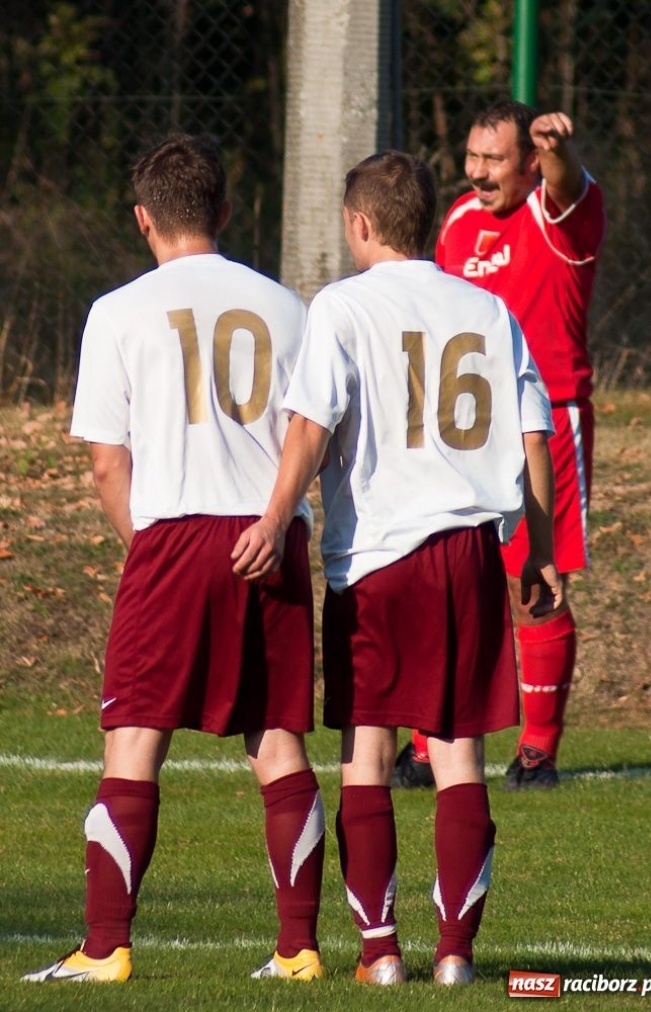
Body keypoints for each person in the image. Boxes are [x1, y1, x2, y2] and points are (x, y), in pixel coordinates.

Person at [231, 151, 563, 985]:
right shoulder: (488, 310)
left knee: (367, 751)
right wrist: (544, 551)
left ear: (359, 225)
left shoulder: (341, 306)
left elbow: (310, 425)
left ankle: (380, 953)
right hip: (468, 553)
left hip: (378, 556)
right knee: (457, 754)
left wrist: (274, 516)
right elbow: (532, 437)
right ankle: (455, 954)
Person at [21, 134, 325, 985]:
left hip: (172, 536)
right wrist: (278, 521)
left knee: (133, 742)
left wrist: (146, 550)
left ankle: (104, 946)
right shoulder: (288, 307)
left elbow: (107, 461)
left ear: (142, 218)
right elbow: (314, 438)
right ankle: (297, 950)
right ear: (226, 211)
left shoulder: (117, 311)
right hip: (272, 534)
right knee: (277, 744)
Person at [399, 100, 606, 790]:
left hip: (549, 420)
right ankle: (429, 743)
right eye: (472, 157)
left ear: (527, 163)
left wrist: (559, 153)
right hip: (468, 425)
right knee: (450, 577)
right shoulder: (457, 222)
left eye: (495, 160)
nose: (479, 174)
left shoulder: (558, 214)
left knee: (534, 586)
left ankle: (536, 750)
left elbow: (570, 185)